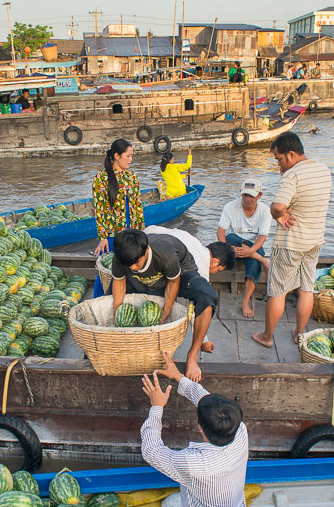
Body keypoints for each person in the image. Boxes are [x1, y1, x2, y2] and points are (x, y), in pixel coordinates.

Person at [129, 352, 248, 507]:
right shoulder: (240, 431)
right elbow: (206, 401)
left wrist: (156, 407)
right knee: (168, 505)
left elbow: (151, 451)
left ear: (201, 430)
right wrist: (178, 377)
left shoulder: (194, 464)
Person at [111, 228, 234, 382]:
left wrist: (167, 308)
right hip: (151, 275)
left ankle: (192, 356)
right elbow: (119, 280)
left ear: (147, 250)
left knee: (207, 298)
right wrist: (117, 310)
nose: (133, 268)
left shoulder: (165, 254)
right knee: (112, 299)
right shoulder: (122, 255)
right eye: (128, 265)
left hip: (180, 272)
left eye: (137, 263)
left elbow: (173, 282)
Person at [253, 132, 332, 348]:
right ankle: (299, 332)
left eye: (279, 159)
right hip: (315, 240)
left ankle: (267, 337)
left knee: (277, 292)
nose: (279, 163)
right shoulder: (323, 170)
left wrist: (279, 214)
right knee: (306, 288)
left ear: (290, 154)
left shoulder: (293, 175)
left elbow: (278, 206)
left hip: (291, 243)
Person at [217, 179, 272, 318]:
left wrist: (251, 251)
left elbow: (262, 237)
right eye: (245, 195)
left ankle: (245, 302)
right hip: (232, 245)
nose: (248, 199)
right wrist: (227, 248)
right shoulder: (230, 207)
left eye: (251, 196)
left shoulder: (265, 211)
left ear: (260, 195)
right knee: (232, 237)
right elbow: (221, 231)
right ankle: (263, 260)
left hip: (253, 249)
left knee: (254, 260)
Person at [92, 139, 146, 257]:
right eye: (128, 156)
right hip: (112, 235)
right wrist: (102, 237)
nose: (130, 160)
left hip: (132, 234)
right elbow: (99, 210)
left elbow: (138, 206)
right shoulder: (101, 179)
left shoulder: (132, 177)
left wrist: (142, 232)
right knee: (110, 269)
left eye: (131, 156)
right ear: (117, 156)